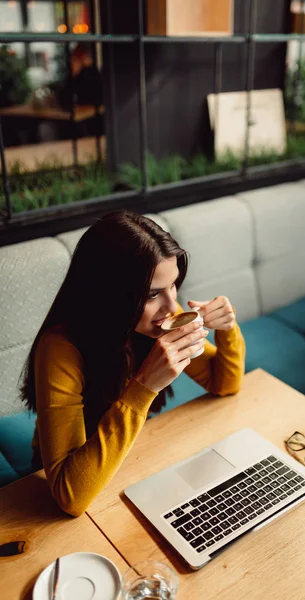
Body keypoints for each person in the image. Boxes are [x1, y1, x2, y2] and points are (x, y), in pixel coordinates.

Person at [20, 211, 245, 517]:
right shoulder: (60, 348)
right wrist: (145, 387)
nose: (170, 306)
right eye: (153, 294)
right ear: (111, 294)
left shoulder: (159, 317)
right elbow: (70, 495)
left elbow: (225, 383)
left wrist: (228, 330)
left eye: (174, 286)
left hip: (130, 451)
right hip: (75, 472)